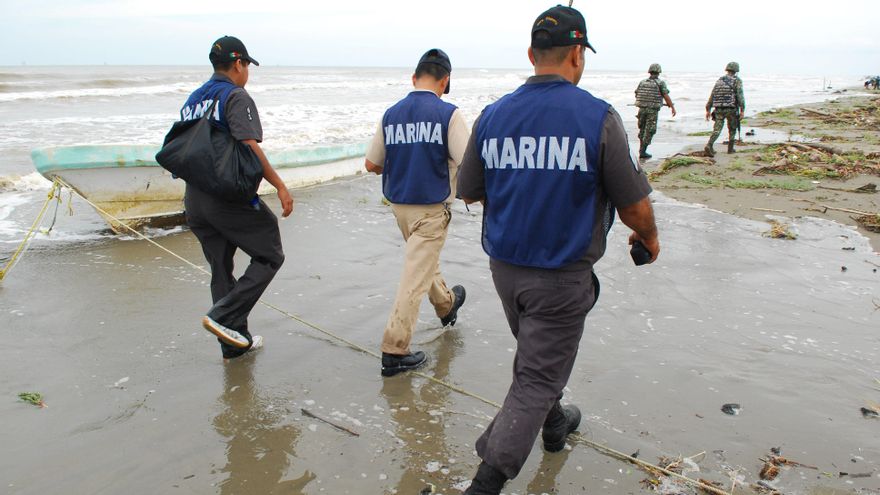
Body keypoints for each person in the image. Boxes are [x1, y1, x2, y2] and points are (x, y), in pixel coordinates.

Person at [456, 5, 660, 494]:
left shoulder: (493, 115)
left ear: (532, 54)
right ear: (577, 54)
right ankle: (484, 484)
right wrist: (649, 239)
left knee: (536, 362)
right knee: (535, 378)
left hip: (505, 268)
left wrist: (524, 189)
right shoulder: (598, 117)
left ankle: (555, 424)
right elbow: (634, 205)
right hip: (561, 274)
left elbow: (469, 189)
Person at [181, 36, 293, 359]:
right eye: (247, 66)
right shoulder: (235, 95)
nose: (248, 73)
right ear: (238, 64)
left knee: (220, 268)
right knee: (270, 252)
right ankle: (224, 317)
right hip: (225, 196)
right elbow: (248, 145)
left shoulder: (193, 99)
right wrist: (280, 185)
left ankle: (233, 344)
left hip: (194, 199)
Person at [364, 49, 469, 377]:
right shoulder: (448, 114)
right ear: (445, 80)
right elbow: (468, 162)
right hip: (432, 209)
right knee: (414, 276)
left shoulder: (391, 114)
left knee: (422, 263)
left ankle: (446, 304)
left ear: (414, 78)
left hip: (399, 207)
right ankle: (394, 351)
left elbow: (371, 164)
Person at [634, 63, 676, 159]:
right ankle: (643, 151)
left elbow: (637, 93)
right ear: (659, 72)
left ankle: (641, 149)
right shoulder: (660, 83)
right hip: (652, 111)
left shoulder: (642, 82)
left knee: (642, 129)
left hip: (641, 109)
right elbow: (665, 95)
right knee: (650, 130)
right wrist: (672, 107)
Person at [705, 61, 745, 156]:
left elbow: (712, 95)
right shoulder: (737, 80)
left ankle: (709, 145)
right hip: (731, 109)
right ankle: (730, 149)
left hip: (718, 109)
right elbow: (740, 96)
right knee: (732, 128)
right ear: (736, 70)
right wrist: (742, 110)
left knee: (717, 129)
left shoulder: (720, 80)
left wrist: (708, 109)